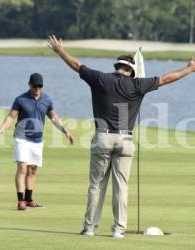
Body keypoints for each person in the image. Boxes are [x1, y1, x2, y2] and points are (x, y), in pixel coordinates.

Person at [48, 35, 195, 238]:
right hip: (125, 141)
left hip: (102, 137)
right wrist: (189, 69)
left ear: (117, 66)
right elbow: (166, 78)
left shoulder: (100, 78)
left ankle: (90, 228)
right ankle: (119, 230)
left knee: (96, 185)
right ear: (131, 71)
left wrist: (60, 51)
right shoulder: (137, 85)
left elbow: (77, 65)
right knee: (121, 187)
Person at [0, 73, 74, 211]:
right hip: (22, 137)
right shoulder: (20, 99)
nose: (38, 88)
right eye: (35, 86)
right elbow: (11, 116)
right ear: (29, 85)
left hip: (37, 140)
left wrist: (65, 130)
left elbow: (54, 118)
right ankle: (20, 201)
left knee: (32, 170)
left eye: (40, 86)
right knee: (22, 168)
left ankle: (28, 199)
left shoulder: (46, 100)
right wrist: (2, 128)